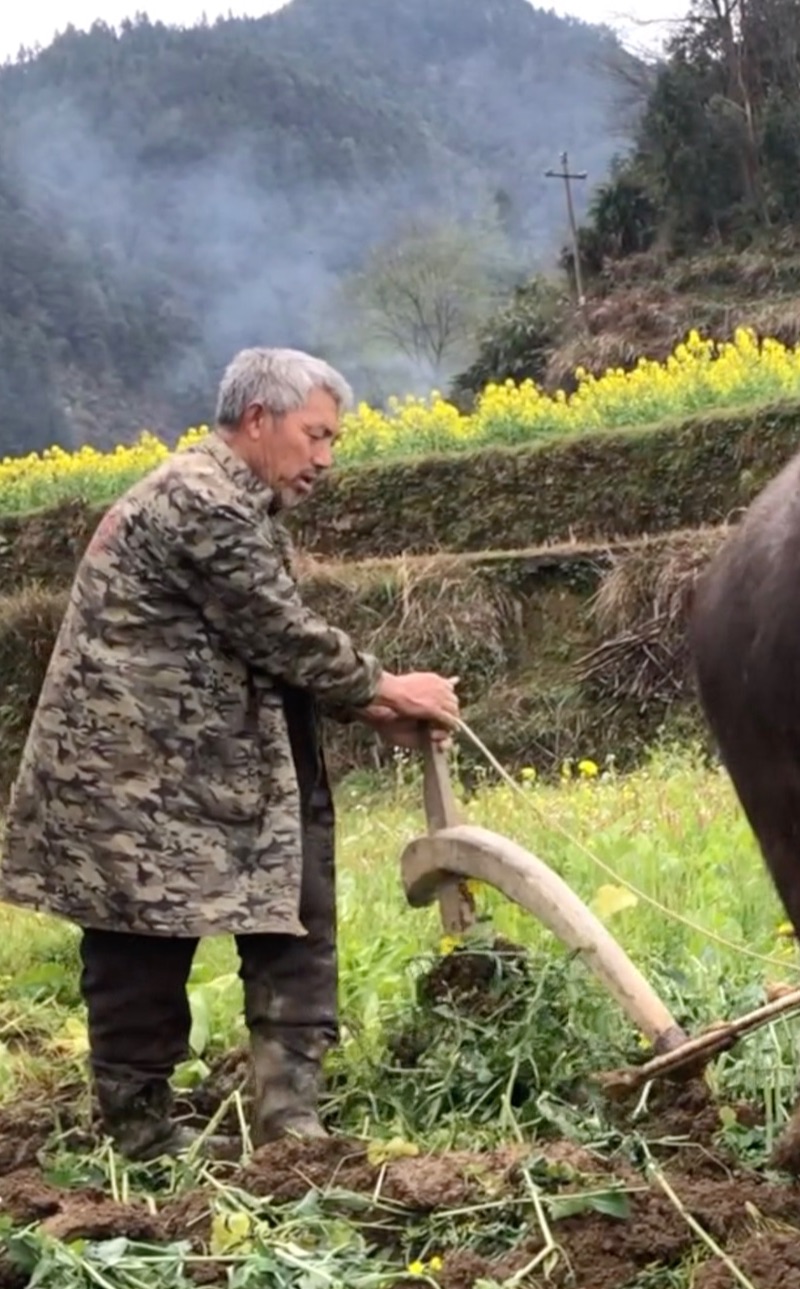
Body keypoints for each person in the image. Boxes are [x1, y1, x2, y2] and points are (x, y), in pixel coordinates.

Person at [0, 346, 463, 1161]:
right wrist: (389, 689)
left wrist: (368, 705)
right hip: (133, 778)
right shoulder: (198, 498)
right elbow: (275, 628)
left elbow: (262, 644)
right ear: (258, 419)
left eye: (333, 441)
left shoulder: (238, 506)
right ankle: (140, 1129)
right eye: (315, 435)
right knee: (141, 940)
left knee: (294, 908)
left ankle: (291, 1123)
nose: (324, 459)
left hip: (221, 765)